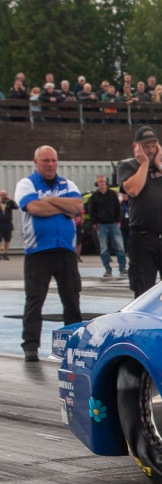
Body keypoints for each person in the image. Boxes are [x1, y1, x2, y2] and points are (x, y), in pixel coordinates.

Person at [15, 146, 83, 362]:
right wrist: (63, 206)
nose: (51, 164)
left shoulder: (67, 184)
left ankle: (73, 345)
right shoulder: (26, 184)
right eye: (45, 161)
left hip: (65, 252)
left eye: (53, 160)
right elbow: (35, 209)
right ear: (36, 163)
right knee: (34, 300)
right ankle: (31, 346)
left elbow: (77, 207)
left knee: (71, 299)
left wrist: (50, 200)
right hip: (38, 253)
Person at [117, 126, 162, 297]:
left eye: (153, 146)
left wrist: (159, 164)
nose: (150, 150)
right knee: (143, 290)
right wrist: (144, 164)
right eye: (146, 146)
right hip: (143, 238)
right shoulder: (128, 166)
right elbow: (133, 189)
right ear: (136, 146)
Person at [86, 175, 126, 277]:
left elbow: (118, 208)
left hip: (114, 224)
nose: (102, 184)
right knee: (103, 249)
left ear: (106, 183)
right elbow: (91, 210)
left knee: (120, 247)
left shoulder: (112, 194)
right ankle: (107, 269)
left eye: (103, 182)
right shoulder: (94, 196)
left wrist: (119, 220)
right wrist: (94, 223)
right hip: (101, 225)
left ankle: (122, 268)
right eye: (100, 182)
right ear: (97, 184)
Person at [0, 189, 17, 260]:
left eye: (5, 195)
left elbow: (16, 207)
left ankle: (5, 254)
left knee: (7, 239)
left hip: (8, 224)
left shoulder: (9, 202)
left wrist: (10, 200)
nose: (4, 197)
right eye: (2, 195)